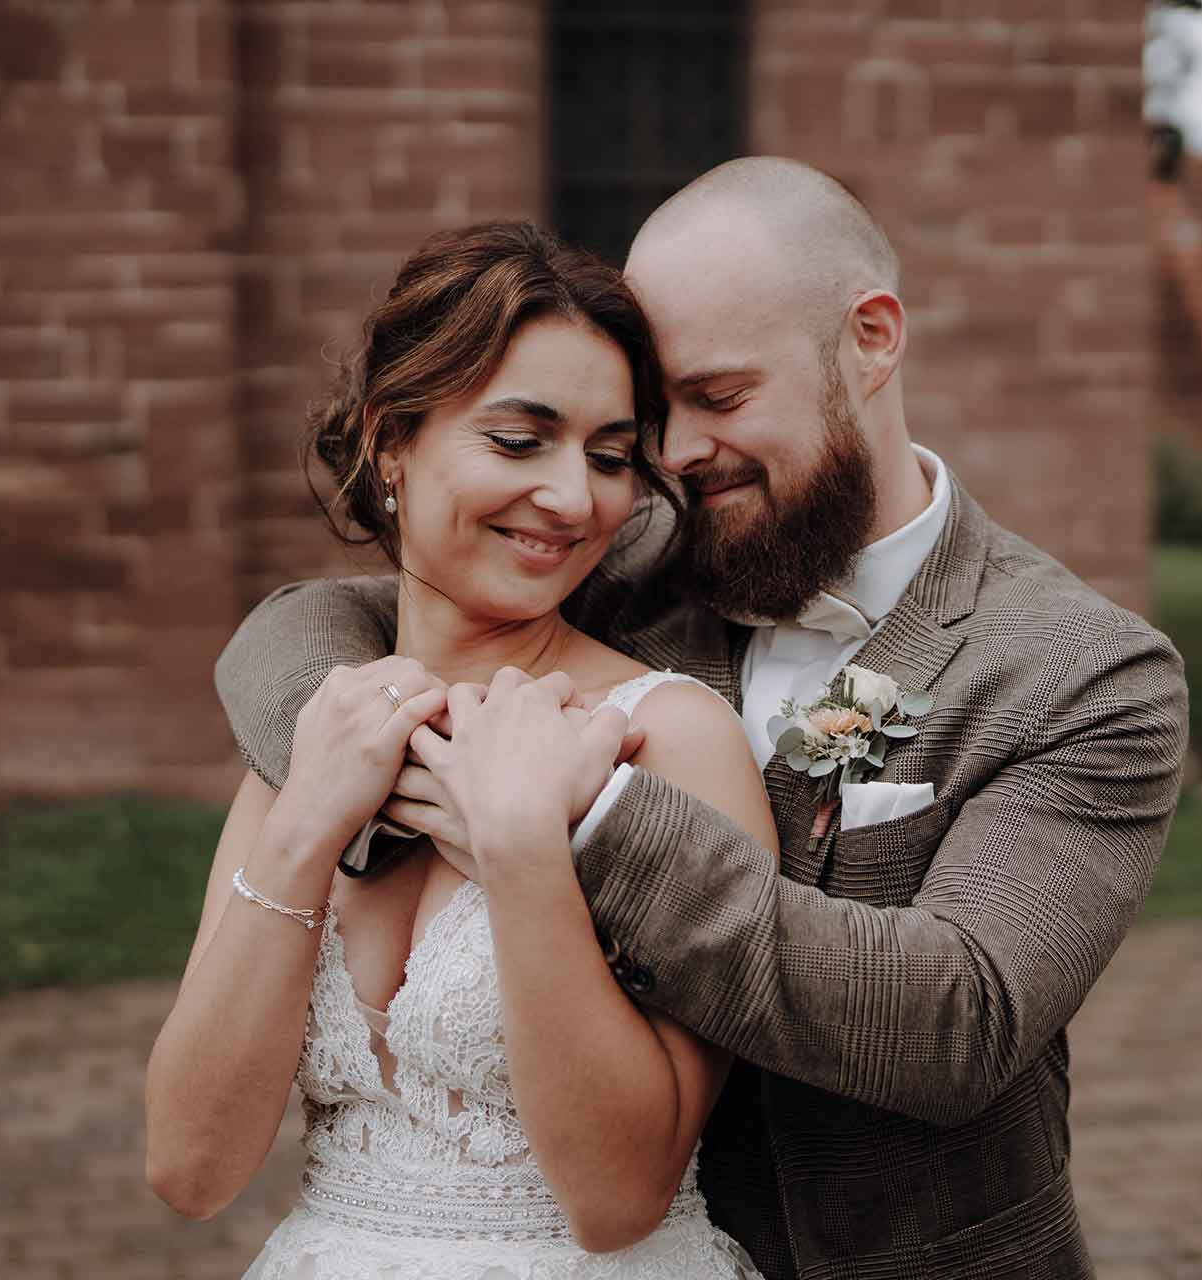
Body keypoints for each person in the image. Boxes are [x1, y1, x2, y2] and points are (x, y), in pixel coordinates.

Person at [214, 157, 1192, 1278]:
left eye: (719, 398)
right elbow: (316, 621)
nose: (673, 456)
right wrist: (375, 773)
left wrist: (591, 818)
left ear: (871, 340)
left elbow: (957, 1020)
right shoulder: (631, 565)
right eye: (657, 415)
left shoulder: (1080, 670)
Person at [145, 221, 775, 1278]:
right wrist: (306, 818)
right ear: (393, 441)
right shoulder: (317, 731)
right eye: (521, 440)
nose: (576, 500)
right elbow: (191, 1166)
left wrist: (526, 847)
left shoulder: (667, 736)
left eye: (611, 456)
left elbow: (621, 1195)